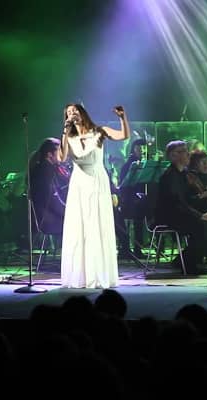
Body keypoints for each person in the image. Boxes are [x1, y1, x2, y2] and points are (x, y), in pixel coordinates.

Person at [59, 103, 129, 288]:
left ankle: (98, 274)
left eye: (74, 110)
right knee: (79, 227)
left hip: (97, 180)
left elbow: (124, 136)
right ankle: (80, 276)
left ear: (82, 112)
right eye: (68, 113)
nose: (72, 114)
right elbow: (61, 157)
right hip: (79, 183)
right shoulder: (69, 137)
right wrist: (65, 132)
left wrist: (122, 118)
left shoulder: (99, 131)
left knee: (97, 225)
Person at [154, 141, 207, 274]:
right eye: (184, 151)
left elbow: (187, 200)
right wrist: (200, 216)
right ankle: (189, 264)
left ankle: (183, 261)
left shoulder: (184, 173)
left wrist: (202, 203)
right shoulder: (169, 176)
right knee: (204, 226)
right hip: (170, 217)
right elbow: (177, 204)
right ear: (173, 156)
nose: (188, 154)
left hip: (182, 214)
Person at [28, 137, 69, 236]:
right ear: (49, 154)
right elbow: (52, 199)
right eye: (59, 151)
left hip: (50, 215)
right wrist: (70, 211)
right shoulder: (44, 171)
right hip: (48, 220)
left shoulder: (47, 168)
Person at [117, 138, 148, 260]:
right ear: (134, 150)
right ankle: (137, 249)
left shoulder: (146, 164)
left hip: (138, 199)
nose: (142, 151)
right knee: (138, 212)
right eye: (139, 149)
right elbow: (123, 186)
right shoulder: (129, 165)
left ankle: (140, 247)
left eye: (144, 149)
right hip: (128, 201)